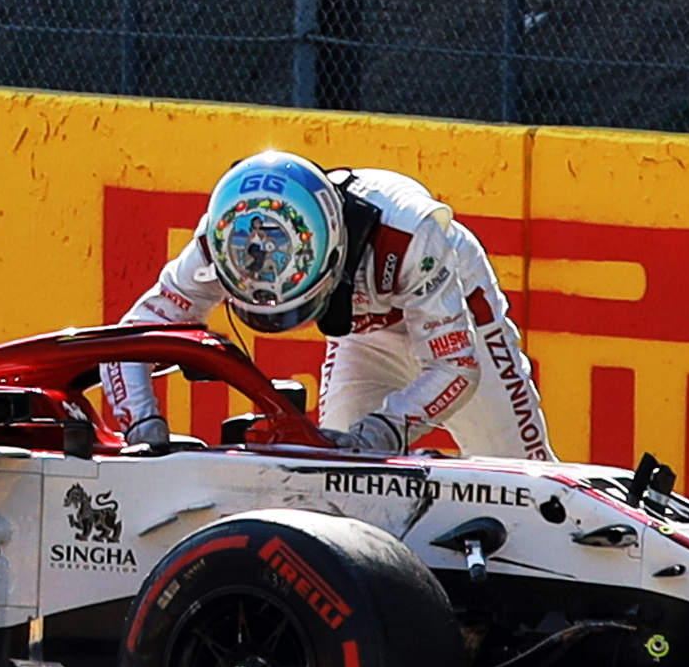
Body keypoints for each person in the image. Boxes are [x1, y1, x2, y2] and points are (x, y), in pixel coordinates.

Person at [99, 149, 557, 459]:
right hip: (364, 332)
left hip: (451, 312)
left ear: (333, 254)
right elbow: (128, 343)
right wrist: (142, 428)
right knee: (334, 473)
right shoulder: (224, 239)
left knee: (526, 476)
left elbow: (456, 366)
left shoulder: (411, 234)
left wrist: (388, 428)